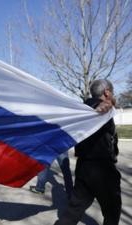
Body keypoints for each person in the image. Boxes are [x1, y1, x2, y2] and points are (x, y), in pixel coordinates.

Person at [54, 79, 120, 225]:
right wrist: (105, 105)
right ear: (107, 92)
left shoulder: (81, 109)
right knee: (112, 211)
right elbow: (101, 107)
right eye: (111, 92)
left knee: (74, 210)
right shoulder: (99, 108)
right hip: (102, 169)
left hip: (83, 167)